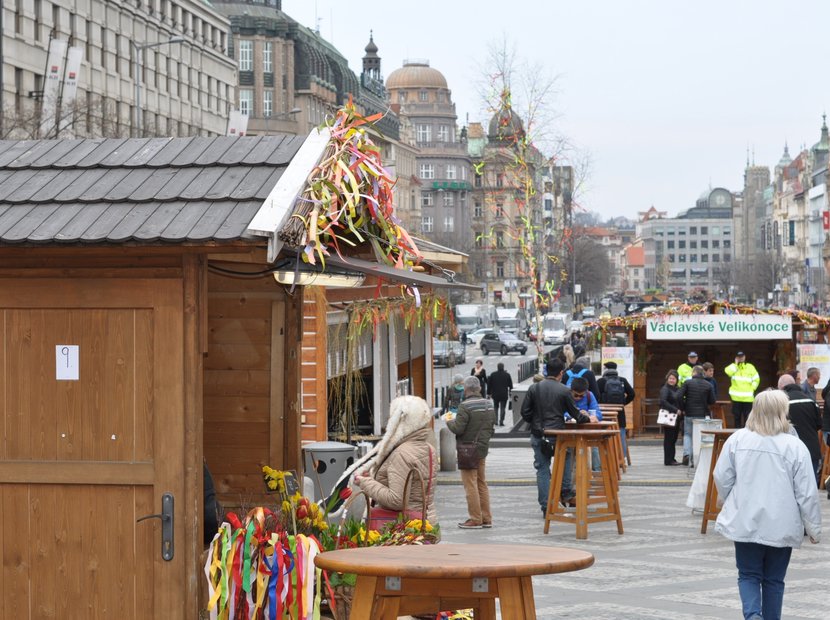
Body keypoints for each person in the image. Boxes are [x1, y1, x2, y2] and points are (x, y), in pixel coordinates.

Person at [713, 390, 821, 620]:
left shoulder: (737, 440)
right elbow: (807, 492)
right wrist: (813, 528)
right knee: (774, 579)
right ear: (783, 413)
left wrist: (729, 499)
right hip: (781, 523)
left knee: (748, 575)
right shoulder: (795, 446)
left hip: (745, 520)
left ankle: (753, 616)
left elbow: (722, 477)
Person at [352, 395, 438, 525]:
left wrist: (365, 482)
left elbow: (397, 500)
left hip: (402, 527)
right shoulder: (428, 448)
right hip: (425, 520)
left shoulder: (402, 453)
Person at [520, 358, 590, 515]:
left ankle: (546, 506)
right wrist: (586, 417)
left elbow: (524, 412)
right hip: (558, 435)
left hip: (539, 434)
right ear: (561, 373)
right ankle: (565, 490)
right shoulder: (564, 390)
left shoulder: (534, 388)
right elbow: (576, 415)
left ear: (546, 371)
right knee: (566, 457)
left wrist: (536, 422)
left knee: (542, 469)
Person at [445, 376, 496, 529]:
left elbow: (458, 428)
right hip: (482, 449)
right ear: (479, 388)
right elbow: (491, 428)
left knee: (470, 484)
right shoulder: (489, 404)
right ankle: (486, 518)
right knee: (481, 483)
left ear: (466, 390)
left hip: (468, 450)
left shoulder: (465, 406)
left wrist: (449, 421)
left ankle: (475, 518)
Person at [778, 374, 823, 484]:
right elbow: (819, 425)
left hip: (788, 453)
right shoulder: (811, 401)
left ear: (781, 387)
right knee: (810, 486)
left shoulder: (780, 403)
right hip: (811, 450)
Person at [676, 365, 715, 467]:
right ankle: (694, 458)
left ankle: (686, 454)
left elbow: (678, 396)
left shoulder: (687, 383)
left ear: (693, 373)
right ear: (702, 373)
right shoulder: (708, 385)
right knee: (697, 437)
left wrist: (683, 407)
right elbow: (712, 401)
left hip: (689, 413)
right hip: (702, 415)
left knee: (688, 435)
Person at [597, 361, 635, 458]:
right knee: (621, 432)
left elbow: (595, 395)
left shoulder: (601, 381)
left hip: (604, 413)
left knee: (604, 434)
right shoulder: (622, 380)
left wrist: (601, 405)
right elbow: (632, 394)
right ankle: (621, 457)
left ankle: (606, 457)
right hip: (619, 412)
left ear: (606, 369)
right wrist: (623, 403)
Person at [570, 376, 602, 472]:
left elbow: (599, 414)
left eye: (581, 396)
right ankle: (568, 474)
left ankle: (596, 471)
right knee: (568, 448)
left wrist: (588, 415)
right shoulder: (565, 395)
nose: (578, 398)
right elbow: (562, 411)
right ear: (571, 391)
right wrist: (577, 413)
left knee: (594, 446)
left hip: (586, 429)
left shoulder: (589, 395)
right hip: (570, 430)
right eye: (576, 395)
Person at [725, 352, 760, 429]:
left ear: (745, 357)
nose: (741, 358)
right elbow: (728, 372)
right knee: (736, 418)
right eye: (739, 357)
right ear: (736, 358)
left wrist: (752, 388)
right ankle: (736, 434)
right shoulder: (733, 367)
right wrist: (735, 364)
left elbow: (756, 379)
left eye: (742, 356)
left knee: (747, 418)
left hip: (748, 399)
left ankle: (747, 435)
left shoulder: (750, 367)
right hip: (736, 398)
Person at [658, 369, 683, 466]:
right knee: (669, 439)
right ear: (667, 378)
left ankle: (672, 458)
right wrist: (675, 410)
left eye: (674, 379)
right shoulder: (665, 389)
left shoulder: (676, 388)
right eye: (670, 378)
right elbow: (663, 402)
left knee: (673, 439)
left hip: (675, 418)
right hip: (669, 417)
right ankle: (668, 460)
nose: (672, 380)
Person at [487, 362, 513, 426]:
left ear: (497, 367)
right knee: (503, 408)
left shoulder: (493, 374)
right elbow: (510, 385)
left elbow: (489, 385)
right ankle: (501, 421)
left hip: (495, 394)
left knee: (495, 407)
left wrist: (489, 393)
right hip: (504, 394)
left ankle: (495, 421)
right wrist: (510, 392)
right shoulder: (507, 375)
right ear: (503, 367)